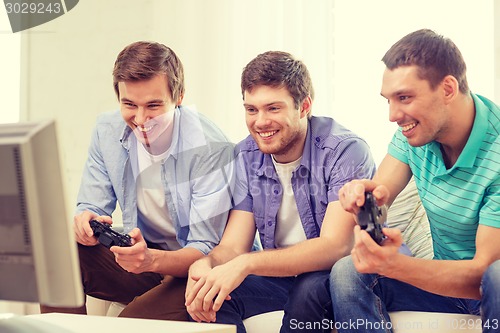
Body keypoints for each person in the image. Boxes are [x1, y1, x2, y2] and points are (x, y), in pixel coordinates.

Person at [41, 41, 235, 321]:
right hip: (145, 263)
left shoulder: (211, 149)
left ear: (179, 96)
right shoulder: (106, 131)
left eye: (154, 106)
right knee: (57, 250)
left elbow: (206, 249)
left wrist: (150, 260)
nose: (141, 119)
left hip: (197, 271)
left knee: (129, 323)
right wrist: (85, 222)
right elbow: (91, 204)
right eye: (129, 104)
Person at [185, 51, 376, 333]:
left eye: (273, 108)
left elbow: (335, 247)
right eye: (251, 110)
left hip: (339, 275)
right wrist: (207, 264)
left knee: (309, 290)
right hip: (282, 277)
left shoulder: (344, 150)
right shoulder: (246, 155)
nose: (260, 122)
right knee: (210, 293)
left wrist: (247, 263)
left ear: (304, 106)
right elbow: (233, 246)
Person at [330, 29, 500, 333]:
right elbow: (380, 198)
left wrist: (396, 265)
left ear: (448, 88)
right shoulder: (416, 133)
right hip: (446, 287)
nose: (394, 115)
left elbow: (482, 276)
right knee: (347, 271)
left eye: (404, 98)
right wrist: (364, 201)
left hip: (489, 287)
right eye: (389, 101)